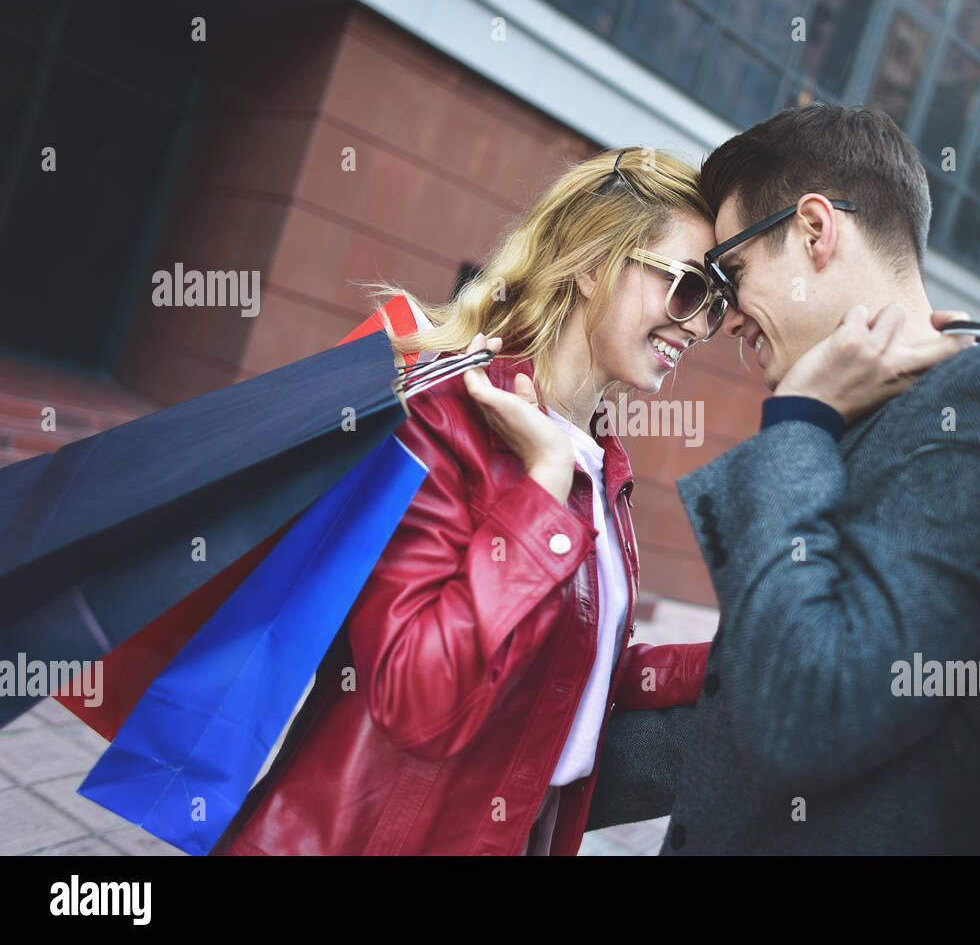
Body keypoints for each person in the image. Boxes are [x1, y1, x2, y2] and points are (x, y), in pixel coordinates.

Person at [213, 147, 725, 855]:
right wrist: (539, 493)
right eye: (688, 288)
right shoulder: (447, 417)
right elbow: (411, 696)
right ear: (594, 264)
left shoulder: (601, 464)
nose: (699, 327)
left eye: (716, 305)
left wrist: (731, 658)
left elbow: (570, 680)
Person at [586, 104, 980, 854]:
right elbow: (740, 716)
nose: (723, 319)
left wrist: (800, 419)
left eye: (730, 274)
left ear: (814, 230)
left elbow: (811, 711)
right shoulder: (870, 416)